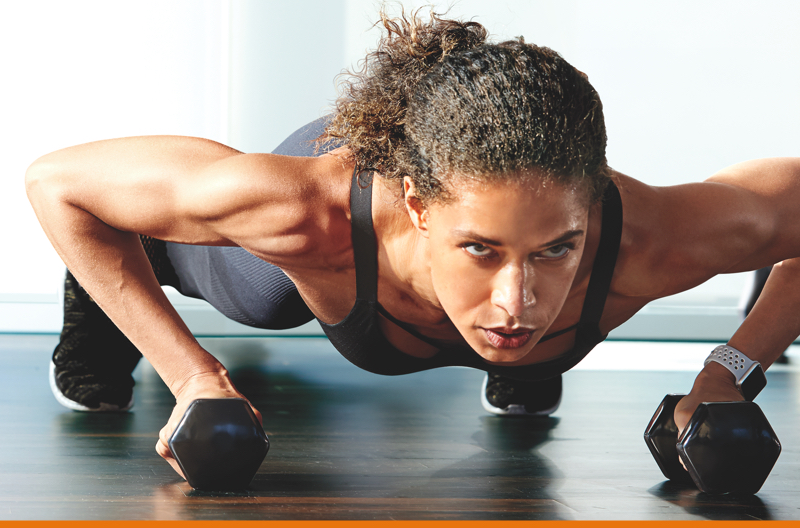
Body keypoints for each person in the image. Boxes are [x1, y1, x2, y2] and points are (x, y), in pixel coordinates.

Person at [25, 11, 800, 480]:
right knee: (258, 296)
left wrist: (729, 370)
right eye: (481, 251)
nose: (517, 298)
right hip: (350, 212)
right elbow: (60, 183)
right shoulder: (310, 218)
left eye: (556, 250)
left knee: (527, 337)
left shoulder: (652, 241)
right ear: (421, 211)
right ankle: (131, 289)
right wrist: (190, 374)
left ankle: (521, 359)